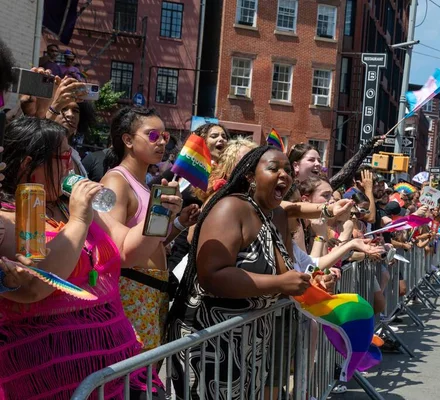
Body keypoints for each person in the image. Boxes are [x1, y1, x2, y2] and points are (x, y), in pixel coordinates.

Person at [0, 117, 174, 399]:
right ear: (28, 164)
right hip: (52, 383)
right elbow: (36, 286)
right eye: (65, 156)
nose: (72, 165)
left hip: (117, 368)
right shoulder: (7, 219)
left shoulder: (70, 207)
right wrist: (80, 218)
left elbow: (129, 251)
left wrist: (162, 214)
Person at [168, 145, 311, 399]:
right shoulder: (230, 208)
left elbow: (283, 273)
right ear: (250, 177)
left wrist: (308, 284)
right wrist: (280, 283)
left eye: (288, 170)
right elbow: (212, 275)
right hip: (210, 338)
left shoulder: (273, 215)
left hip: (249, 340)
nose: (284, 175)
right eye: (273, 168)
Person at [102, 107, 190, 351]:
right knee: (135, 380)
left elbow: (150, 242)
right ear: (128, 140)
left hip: (150, 294)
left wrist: (179, 221)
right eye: (153, 136)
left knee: (147, 378)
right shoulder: (116, 181)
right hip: (132, 293)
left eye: (165, 137)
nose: (162, 142)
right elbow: (114, 248)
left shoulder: (143, 184)